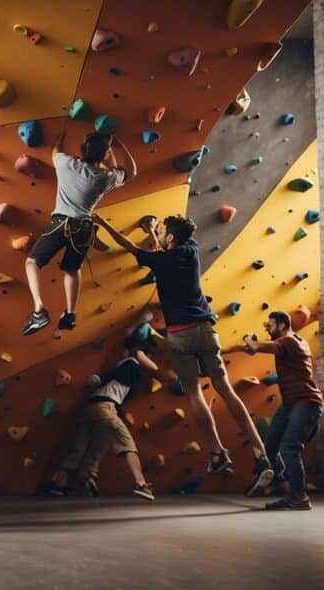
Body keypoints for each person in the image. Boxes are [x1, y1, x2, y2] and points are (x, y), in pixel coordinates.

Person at [94, 213, 274, 493]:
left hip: (181, 334)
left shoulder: (161, 259)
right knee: (226, 389)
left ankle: (217, 452)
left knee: (194, 393)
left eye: (163, 231)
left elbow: (133, 248)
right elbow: (163, 252)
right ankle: (261, 454)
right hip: (207, 329)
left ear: (170, 238)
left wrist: (105, 224)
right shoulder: (191, 250)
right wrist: (155, 232)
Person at [22, 132, 136, 336]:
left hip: (60, 222)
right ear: (104, 155)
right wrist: (117, 146)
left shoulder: (66, 164)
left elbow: (55, 152)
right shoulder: (105, 178)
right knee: (71, 270)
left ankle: (39, 309)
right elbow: (131, 171)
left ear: (82, 149)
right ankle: (70, 314)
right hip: (84, 227)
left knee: (32, 262)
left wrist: (58, 138)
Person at [43, 340, 158, 501]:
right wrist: (138, 354)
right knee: (125, 442)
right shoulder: (131, 363)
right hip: (105, 406)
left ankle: (61, 483)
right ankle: (141, 484)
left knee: (85, 445)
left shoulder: (124, 370)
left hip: (91, 406)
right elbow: (148, 368)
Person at [240, 311, 323, 509]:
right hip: (290, 404)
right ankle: (283, 481)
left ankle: (299, 496)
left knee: (289, 448)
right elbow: (259, 348)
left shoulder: (290, 341)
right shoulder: (289, 343)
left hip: (306, 402)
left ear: (283, 325)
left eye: (270, 326)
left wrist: (248, 339)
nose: (267, 330)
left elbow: (255, 345)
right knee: (270, 445)